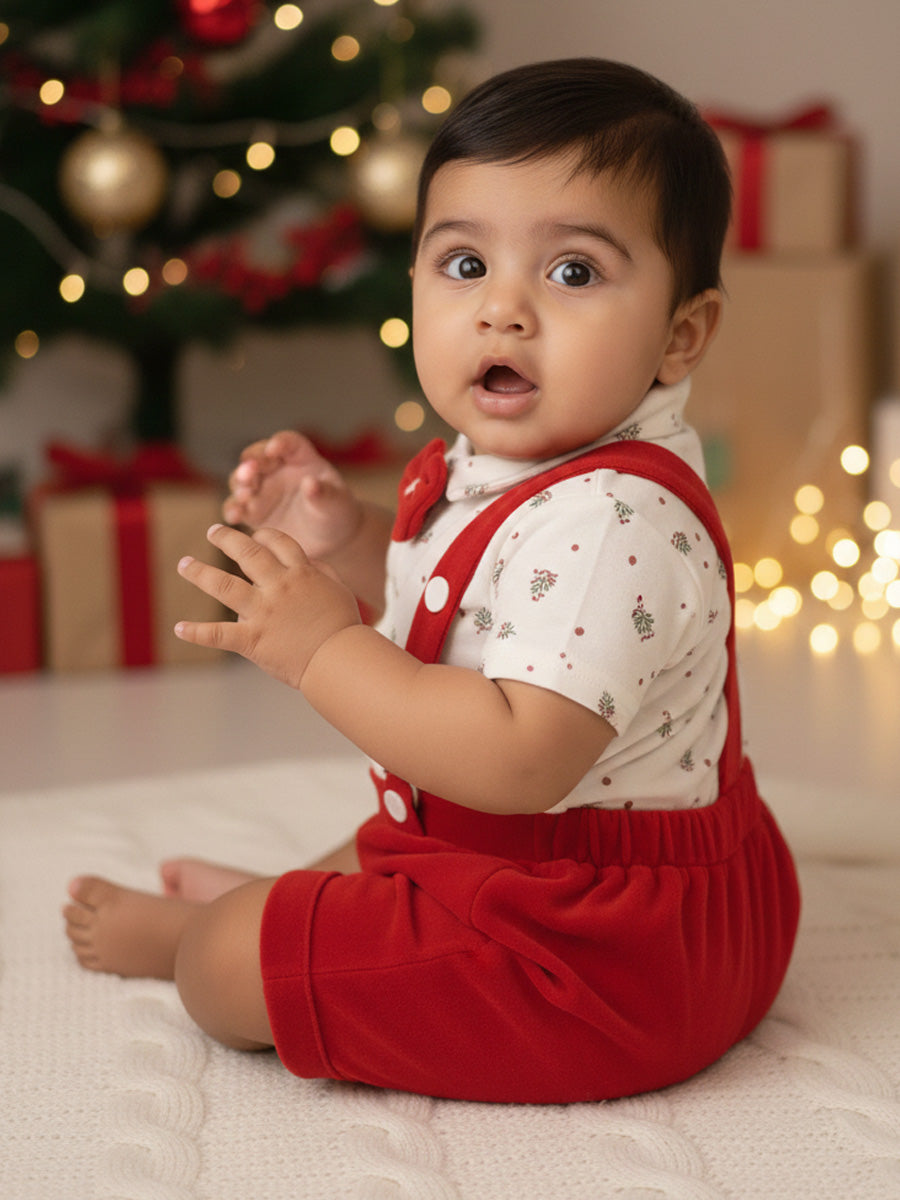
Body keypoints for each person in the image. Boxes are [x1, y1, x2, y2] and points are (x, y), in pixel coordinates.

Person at [64, 58, 800, 1103]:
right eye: (463, 265)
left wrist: (323, 647)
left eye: (573, 273)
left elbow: (513, 763)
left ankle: (211, 934)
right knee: (370, 849)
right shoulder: (503, 466)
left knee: (222, 973)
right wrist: (347, 535)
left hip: (595, 956)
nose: (502, 310)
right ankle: (285, 909)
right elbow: (469, 604)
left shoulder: (613, 520)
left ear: (681, 333)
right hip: (538, 871)